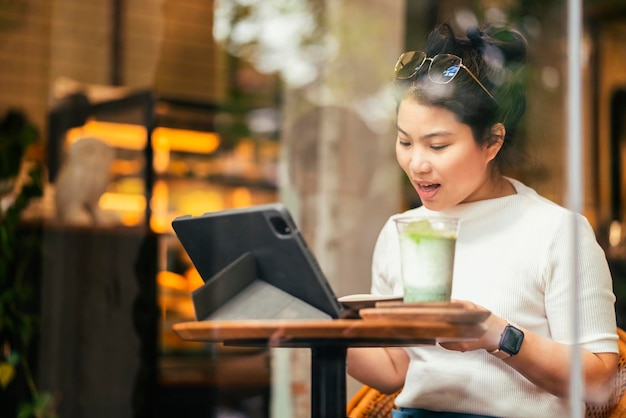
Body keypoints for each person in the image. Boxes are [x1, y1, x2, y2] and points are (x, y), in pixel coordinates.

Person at [346, 23, 618, 418]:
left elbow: (600, 383)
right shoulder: (401, 231)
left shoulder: (555, 232)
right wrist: (324, 330)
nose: (416, 163)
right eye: (404, 141)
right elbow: (395, 370)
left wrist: (496, 335)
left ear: (492, 141)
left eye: (437, 145)